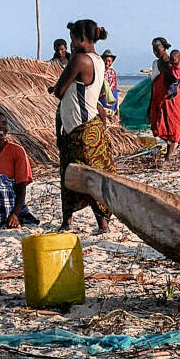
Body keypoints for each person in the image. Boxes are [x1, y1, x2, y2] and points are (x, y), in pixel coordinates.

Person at [49, 18, 117, 233]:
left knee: (71, 174)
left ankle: (68, 221)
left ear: (82, 39)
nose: (70, 45)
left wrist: (56, 88)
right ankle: (102, 223)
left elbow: (61, 90)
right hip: (92, 125)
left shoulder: (79, 59)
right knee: (94, 175)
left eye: (72, 40)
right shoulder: (97, 60)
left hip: (79, 128)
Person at [149, 38, 180, 167]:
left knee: (172, 124)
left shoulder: (170, 63)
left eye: (158, 48)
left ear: (164, 48)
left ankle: (169, 156)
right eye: (154, 49)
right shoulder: (156, 63)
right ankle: (171, 148)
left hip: (170, 99)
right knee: (159, 124)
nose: (155, 51)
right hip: (158, 98)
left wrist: (174, 78)